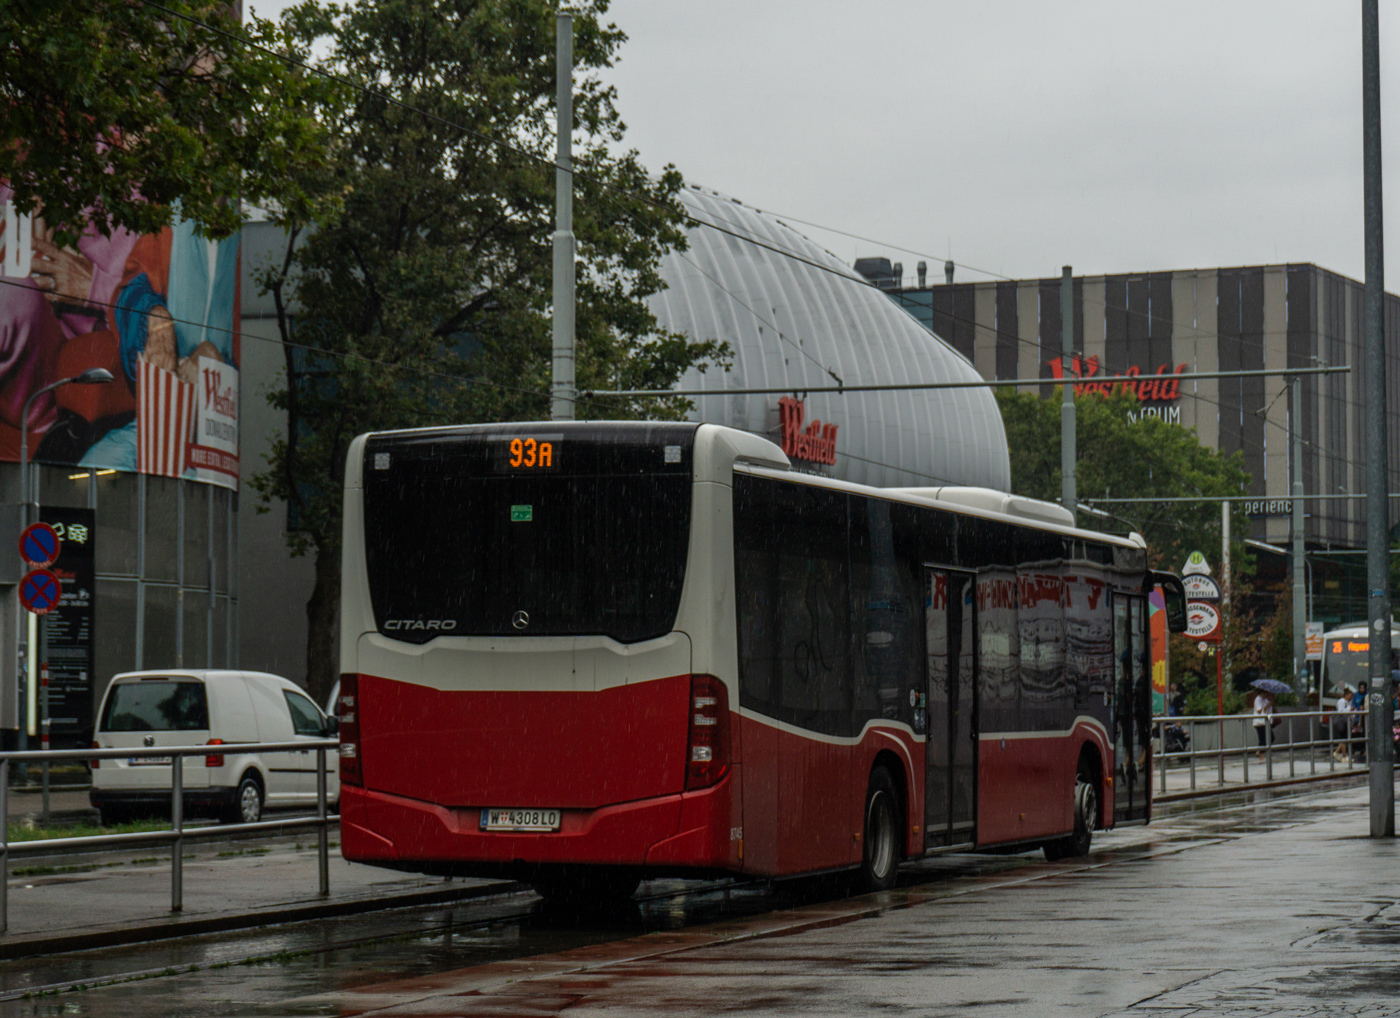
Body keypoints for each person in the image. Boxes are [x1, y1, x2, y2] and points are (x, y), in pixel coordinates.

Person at [1252, 688, 1276, 762]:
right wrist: (1267, 705)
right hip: (1259, 722)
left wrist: (1271, 702)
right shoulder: (1258, 699)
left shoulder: (1265, 700)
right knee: (1263, 739)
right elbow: (1259, 710)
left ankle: (1260, 751)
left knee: (1271, 738)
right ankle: (1260, 753)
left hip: (1266, 722)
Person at [1333, 684, 1355, 762]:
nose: (1351, 697)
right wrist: (1349, 709)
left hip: (1346, 721)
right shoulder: (1341, 701)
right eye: (1350, 695)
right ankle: (1344, 755)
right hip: (1341, 722)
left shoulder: (1348, 702)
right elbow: (1340, 711)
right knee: (1344, 738)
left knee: (1344, 738)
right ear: (1346, 695)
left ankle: (1338, 753)